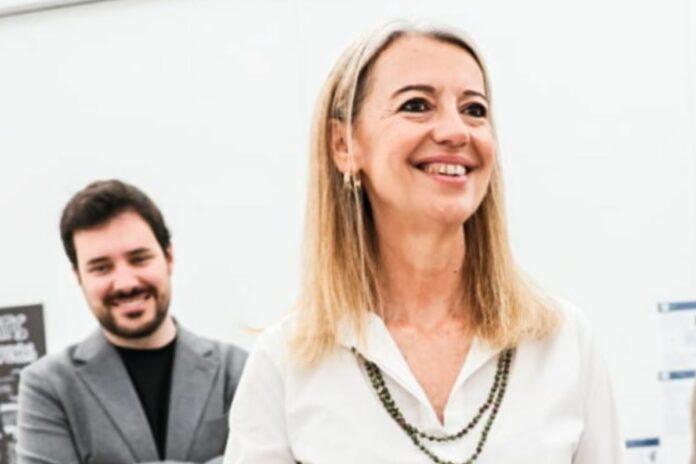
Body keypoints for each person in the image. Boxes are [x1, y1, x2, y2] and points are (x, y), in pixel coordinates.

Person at [224, 20, 624, 464]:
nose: (456, 131)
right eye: (416, 105)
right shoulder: (286, 364)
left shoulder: (563, 343)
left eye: (474, 109)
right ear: (344, 145)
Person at [17, 179, 247, 464]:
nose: (125, 283)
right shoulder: (48, 386)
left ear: (168, 257)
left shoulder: (237, 370)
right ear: (79, 277)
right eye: (101, 268)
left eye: (139, 259)